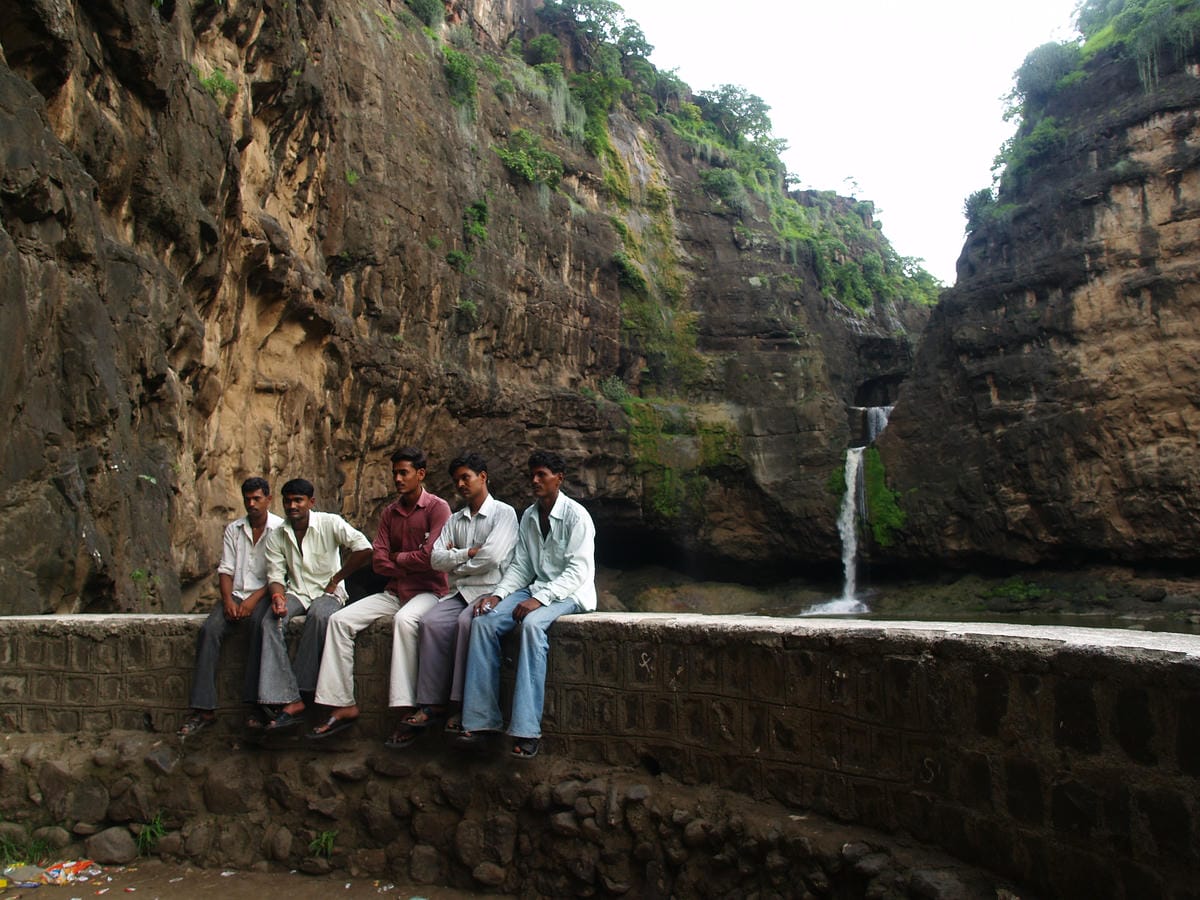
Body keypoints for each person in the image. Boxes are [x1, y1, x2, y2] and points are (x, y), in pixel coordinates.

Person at [458, 449, 596, 759]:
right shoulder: (530, 516)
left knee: (532, 627)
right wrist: (498, 595)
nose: (534, 480)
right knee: (483, 621)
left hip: (569, 594)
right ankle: (482, 720)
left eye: (541, 475)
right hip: (535, 589)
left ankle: (526, 729)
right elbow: (521, 566)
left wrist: (540, 599)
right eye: (532, 475)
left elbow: (578, 572)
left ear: (558, 479)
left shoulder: (577, 517)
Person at [309, 447, 451, 739]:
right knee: (339, 621)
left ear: (420, 474)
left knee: (404, 621)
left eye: (404, 473)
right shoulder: (390, 512)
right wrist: (408, 561)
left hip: (429, 592)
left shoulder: (438, 508)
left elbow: (431, 557)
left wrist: (400, 559)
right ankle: (342, 704)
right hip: (395, 591)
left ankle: (406, 709)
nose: (398, 478)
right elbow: (378, 560)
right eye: (395, 473)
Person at [385, 453, 519, 748]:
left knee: (464, 623)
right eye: (456, 480)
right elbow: (435, 558)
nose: (460, 484)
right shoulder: (456, 519)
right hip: (459, 591)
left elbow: (494, 557)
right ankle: (432, 703)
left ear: (483, 476)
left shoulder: (504, 513)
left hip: (491, 589)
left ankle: (459, 703)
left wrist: (455, 560)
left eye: (466, 477)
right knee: (430, 622)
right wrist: (468, 553)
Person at [260, 478, 373, 732]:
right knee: (271, 619)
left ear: (311, 502)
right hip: (297, 591)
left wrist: (337, 578)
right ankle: (286, 695)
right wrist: (278, 597)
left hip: (329, 592)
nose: (292, 506)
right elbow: (276, 576)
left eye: (298, 500)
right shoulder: (278, 535)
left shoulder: (329, 523)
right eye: (288, 501)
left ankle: (301, 692)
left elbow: (365, 548)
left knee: (320, 616)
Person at [178, 477, 284, 737]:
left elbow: (280, 574)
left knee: (260, 628)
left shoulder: (281, 530)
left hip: (264, 594)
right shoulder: (234, 529)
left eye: (257, 498)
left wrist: (252, 601)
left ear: (269, 499)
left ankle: (255, 706)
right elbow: (225, 569)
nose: (252, 504)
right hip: (236, 593)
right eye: (247, 499)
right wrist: (227, 600)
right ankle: (203, 708)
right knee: (209, 630)